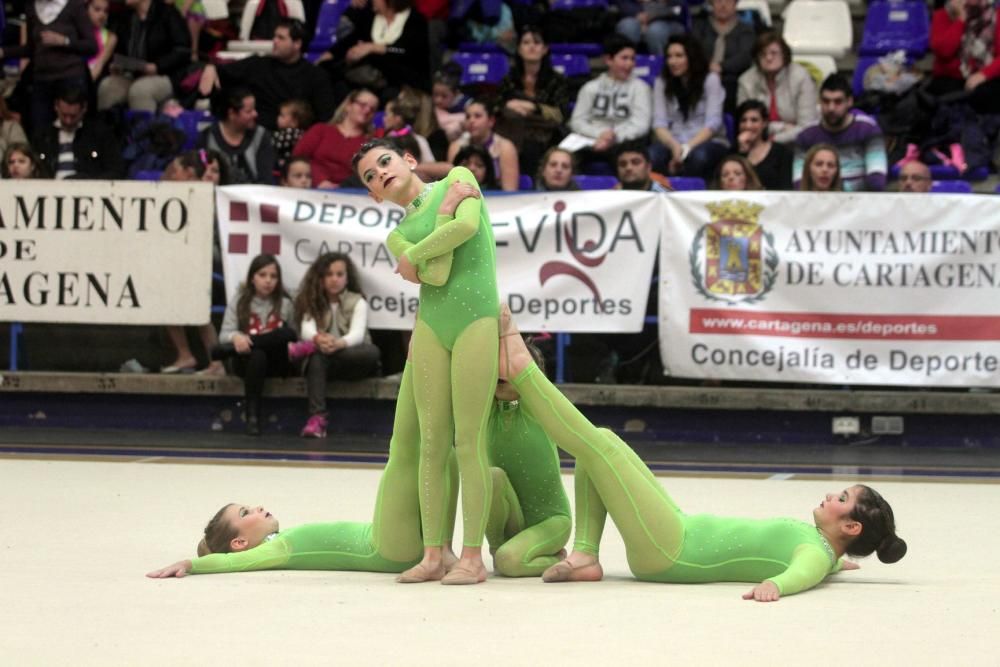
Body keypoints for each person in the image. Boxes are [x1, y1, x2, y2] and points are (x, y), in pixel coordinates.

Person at [495, 307, 907, 598]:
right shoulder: (825, 548)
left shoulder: (815, 553)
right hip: (677, 527)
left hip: (672, 550)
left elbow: (805, 572)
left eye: (842, 499)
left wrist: (776, 586)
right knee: (602, 442)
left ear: (851, 526)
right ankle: (586, 555)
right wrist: (844, 560)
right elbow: (830, 563)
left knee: (597, 446)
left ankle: (523, 371)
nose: (831, 494)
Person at [147, 356, 459, 578]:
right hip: (387, 547)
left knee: (445, 455)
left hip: (389, 540)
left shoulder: (280, 540)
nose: (256, 507)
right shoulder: (271, 551)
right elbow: (230, 565)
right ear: (239, 543)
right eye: (245, 514)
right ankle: (416, 358)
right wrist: (192, 564)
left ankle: (443, 548)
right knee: (404, 452)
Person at [353, 138, 500, 585]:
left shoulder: (459, 177)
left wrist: (415, 255)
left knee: (469, 441)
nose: (380, 174)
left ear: (409, 160)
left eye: (385, 162)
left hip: (476, 319)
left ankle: (473, 557)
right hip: (432, 329)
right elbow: (436, 273)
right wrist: (442, 218)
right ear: (375, 195)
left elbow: (468, 229)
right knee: (431, 444)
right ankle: (434, 553)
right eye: (370, 177)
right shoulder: (394, 233)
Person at [486, 345, 572, 577]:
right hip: (513, 520)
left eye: (509, 366)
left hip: (551, 522)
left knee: (510, 562)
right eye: (497, 365)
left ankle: (556, 559)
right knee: (490, 476)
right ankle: (498, 550)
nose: (501, 373)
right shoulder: (485, 412)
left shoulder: (538, 407)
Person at [294, 252, 382, 438]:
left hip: (350, 358)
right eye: (329, 274)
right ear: (320, 277)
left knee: (372, 352)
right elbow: (306, 329)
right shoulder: (312, 300)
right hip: (324, 362)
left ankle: (307, 349)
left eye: (339, 274)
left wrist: (338, 343)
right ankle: (317, 420)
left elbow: (357, 335)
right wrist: (318, 339)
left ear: (347, 277)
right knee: (317, 357)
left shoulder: (358, 301)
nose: (334, 279)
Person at [215, 254, 302, 436]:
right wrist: (237, 337)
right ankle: (252, 415)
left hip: (277, 362)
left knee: (283, 334)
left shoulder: (286, 303)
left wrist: (253, 340)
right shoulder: (239, 301)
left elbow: (296, 336)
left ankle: (254, 342)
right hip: (248, 361)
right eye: (262, 275)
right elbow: (224, 335)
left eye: (273, 276)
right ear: (252, 278)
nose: (268, 281)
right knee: (257, 355)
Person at [198, 19, 336, 131]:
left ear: (297, 44)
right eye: (274, 36)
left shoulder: (316, 76)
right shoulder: (258, 64)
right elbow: (222, 72)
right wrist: (211, 68)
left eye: (281, 38)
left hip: (295, 138)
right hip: (253, 131)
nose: (274, 41)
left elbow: (325, 118)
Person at [0, 0, 97, 134]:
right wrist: (4, 52)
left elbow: (92, 46)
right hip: (42, 79)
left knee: (73, 127)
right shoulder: (32, 7)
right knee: (41, 130)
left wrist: (65, 41)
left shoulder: (74, 6)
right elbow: (31, 48)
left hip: (70, 78)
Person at [318, 0, 431, 104]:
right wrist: (330, 54)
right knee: (334, 80)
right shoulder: (370, 16)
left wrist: (374, 48)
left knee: (390, 94)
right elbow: (350, 40)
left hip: (399, 80)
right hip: (368, 78)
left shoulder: (416, 20)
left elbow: (407, 51)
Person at [496, 26, 572, 177]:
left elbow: (561, 114)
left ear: (545, 49)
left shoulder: (556, 80)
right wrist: (508, 106)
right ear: (519, 49)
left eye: (536, 42)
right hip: (513, 132)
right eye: (526, 42)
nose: (531, 46)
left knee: (531, 146)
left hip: (547, 135)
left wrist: (532, 106)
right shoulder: (509, 79)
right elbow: (497, 107)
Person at [652, 34, 729, 180]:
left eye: (679, 56)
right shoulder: (661, 82)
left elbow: (713, 123)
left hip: (706, 141)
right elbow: (659, 124)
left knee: (699, 157)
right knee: (652, 156)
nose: (672, 61)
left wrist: (687, 148)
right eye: (669, 56)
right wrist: (675, 146)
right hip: (673, 141)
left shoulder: (711, 80)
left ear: (692, 57)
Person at [794, 74, 887, 192]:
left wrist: (832, 189)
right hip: (816, 204)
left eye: (838, 102)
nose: (831, 108)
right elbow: (799, 184)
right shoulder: (805, 135)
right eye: (826, 101)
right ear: (819, 102)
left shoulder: (869, 129)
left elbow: (877, 181)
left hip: (859, 205)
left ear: (849, 102)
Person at [568, 34, 652, 162]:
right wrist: (600, 135)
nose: (629, 64)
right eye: (624, 58)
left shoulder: (640, 88)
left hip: (624, 142)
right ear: (608, 60)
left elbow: (641, 125)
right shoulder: (590, 87)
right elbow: (577, 121)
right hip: (591, 140)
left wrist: (614, 137)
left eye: (632, 59)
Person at [97, 0, 190, 112]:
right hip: (133, 73)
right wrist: (117, 65)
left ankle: (144, 129)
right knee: (107, 86)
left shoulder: (167, 13)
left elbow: (183, 50)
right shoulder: (126, 16)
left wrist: (157, 66)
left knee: (140, 90)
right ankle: (105, 128)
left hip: (165, 75)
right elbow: (119, 49)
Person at [736, 32, 818, 145]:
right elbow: (747, 125)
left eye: (774, 53)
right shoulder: (746, 81)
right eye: (763, 54)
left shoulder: (801, 77)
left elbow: (808, 128)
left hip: (796, 144)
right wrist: (782, 127)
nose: (769, 58)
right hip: (757, 144)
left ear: (784, 55)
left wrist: (774, 140)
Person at [33, 85, 124, 179]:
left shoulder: (100, 134)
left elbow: (116, 171)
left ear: (84, 108)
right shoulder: (43, 136)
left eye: (73, 116)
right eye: (64, 115)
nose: (68, 121)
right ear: (56, 106)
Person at [293, 88, 378, 188]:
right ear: (348, 105)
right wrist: (319, 181)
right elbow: (297, 158)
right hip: (310, 187)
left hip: (349, 195)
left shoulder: (370, 142)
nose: (367, 110)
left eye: (372, 109)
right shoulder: (321, 130)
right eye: (363, 105)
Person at [928, 0, 1000, 110]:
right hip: (950, 80)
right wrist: (961, 19)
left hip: (983, 80)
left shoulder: (995, 15)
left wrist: (983, 74)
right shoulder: (942, 14)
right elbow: (943, 52)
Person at [199, 87, 276, 185]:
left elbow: (266, 180)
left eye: (254, 109)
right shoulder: (208, 136)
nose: (255, 114)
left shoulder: (261, 136)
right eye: (249, 111)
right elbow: (200, 174)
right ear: (232, 113)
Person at [690, 0, 755, 113]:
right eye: (719, 1)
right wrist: (708, 66)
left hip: (733, 79)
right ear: (712, 4)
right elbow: (693, 50)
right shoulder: (700, 26)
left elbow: (745, 56)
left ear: (735, 4)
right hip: (702, 75)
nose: (723, 5)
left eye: (728, 1)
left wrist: (721, 67)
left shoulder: (745, 30)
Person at [446, 98, 520, 192]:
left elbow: (510, 192)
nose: (471, 121)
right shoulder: (456, 147)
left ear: (491, 121)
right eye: (468, 117)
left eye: (477, 116)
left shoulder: (505, 148)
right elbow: (451, 187)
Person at [735, 99, 792, 190]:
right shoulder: (732, 153)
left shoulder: (781, 152)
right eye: (743, 120)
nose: (748, 126)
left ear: (764, 123)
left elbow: (786, 189)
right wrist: (742, 151)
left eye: (754, 120)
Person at [616, 0, 685, 57]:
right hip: (635, 17)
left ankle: (661, 66)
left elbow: (678, 8)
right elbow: (623, 3)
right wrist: (636, 14)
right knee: (627, 26)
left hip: (667, 20)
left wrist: (650, 16)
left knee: (655, 31)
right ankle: (627, 63)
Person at [272, 98, 313, 173]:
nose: (278, 118)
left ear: (294, 122)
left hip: (285, 169)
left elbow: (273, 143)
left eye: (282, 116)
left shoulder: (292, 133)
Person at [86, 0, 116, 83]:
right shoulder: (74, 31)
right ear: (86, 10)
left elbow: (99, 65)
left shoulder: (111, 37)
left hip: (94, 80)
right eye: (97, 9)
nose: (102, 14)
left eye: (106, 11)